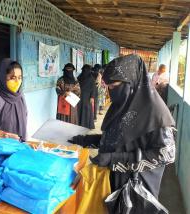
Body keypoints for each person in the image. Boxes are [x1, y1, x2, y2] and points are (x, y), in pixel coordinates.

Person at [70, 55, 175, 198]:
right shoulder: (123, 105)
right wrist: (87, 140)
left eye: (114, 86)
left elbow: (166, 155)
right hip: (114, 183)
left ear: (131, 82)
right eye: (108, 87)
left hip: (136, 191)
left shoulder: (156, 112)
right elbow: (120, 139)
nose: (110, 92)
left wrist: (114, 159)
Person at [0, 58, 28, 141]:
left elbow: (25, 118)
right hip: (1, 147)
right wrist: (4, 136)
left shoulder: (20, 95)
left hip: (20, 144)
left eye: (20, 77)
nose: (17, 81)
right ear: (3, 77)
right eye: (13, 78)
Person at [77, 64, 96, 129]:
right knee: (80, 109)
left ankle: (87, 125)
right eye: (84, 70)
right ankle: (80, 124)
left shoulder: (91, 78)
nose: (85, 71)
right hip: (79, 96)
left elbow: (93, 88)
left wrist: (92, 97)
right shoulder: (79, 77)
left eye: (86, 70)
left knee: (87, 110)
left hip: (88, 97)